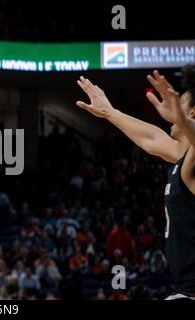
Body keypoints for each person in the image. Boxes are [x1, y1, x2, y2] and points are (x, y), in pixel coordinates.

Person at [76, 65, 195, 299]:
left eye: (179, 103)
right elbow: (151, 139)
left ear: (192, 113)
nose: (171, 107)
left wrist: (180, 118)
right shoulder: (181, 157)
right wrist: (109, 112)